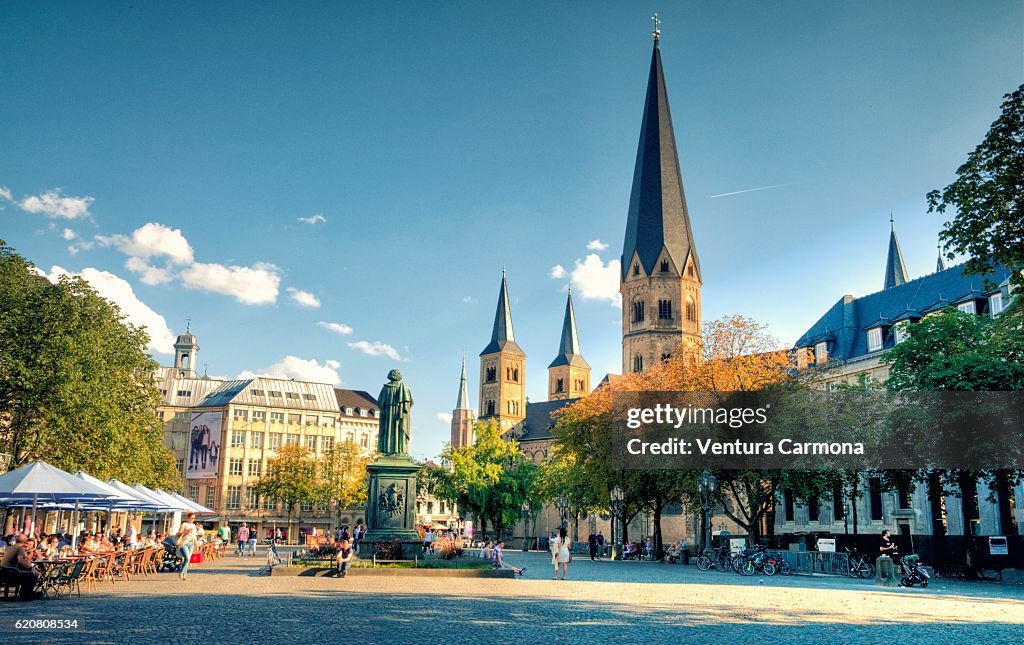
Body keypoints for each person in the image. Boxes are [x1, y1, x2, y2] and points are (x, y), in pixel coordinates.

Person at [1, 535, 38, 601]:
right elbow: (20, 560)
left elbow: (23, 559)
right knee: (32, 575)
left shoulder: (11, 547)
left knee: (29, 574)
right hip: (12, 572)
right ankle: (26, 596)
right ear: (25, 541)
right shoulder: (21, 547)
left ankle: (23, 594)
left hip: (4, 571)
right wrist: (30, 567)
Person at [176, 512, 199, 581]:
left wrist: (196, 544)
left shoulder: (193, 525)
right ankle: (181, 572)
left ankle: (184, 575)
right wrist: (186, 531)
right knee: (187, 558)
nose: (193, 519)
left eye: (194, 518)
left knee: (188, 560)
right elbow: (179, 533)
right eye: (192, 518)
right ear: (188, 518)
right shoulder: (184, 524)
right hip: (184, 543)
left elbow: (194, 536)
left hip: (191, 543)